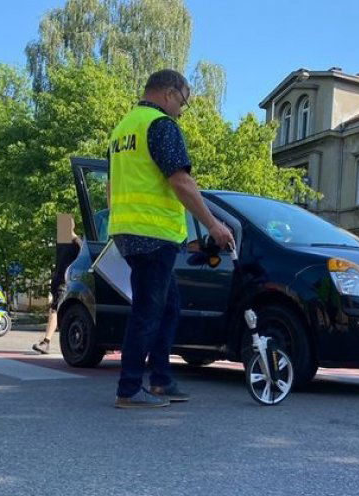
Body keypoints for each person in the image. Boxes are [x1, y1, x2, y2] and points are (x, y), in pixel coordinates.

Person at [108, 69, 233, 409]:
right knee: (148, 310)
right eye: (183, 101)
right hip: (152, 233)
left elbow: (113, 187)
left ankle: (161, 380)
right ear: (168, 93)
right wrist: (213, 225)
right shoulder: (160, 125)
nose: (182, 109)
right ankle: (130, 388)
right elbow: (181, 181)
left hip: (130, 230)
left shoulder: (123, 129)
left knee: (167, 307)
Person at [33, 214, 82, 354]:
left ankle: (46, 342)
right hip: (58, 280)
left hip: (65, 281)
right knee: (55, 310)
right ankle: (50, 341)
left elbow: (84, 254)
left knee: (55, 310)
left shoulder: (76, 242)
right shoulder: (63, 240)